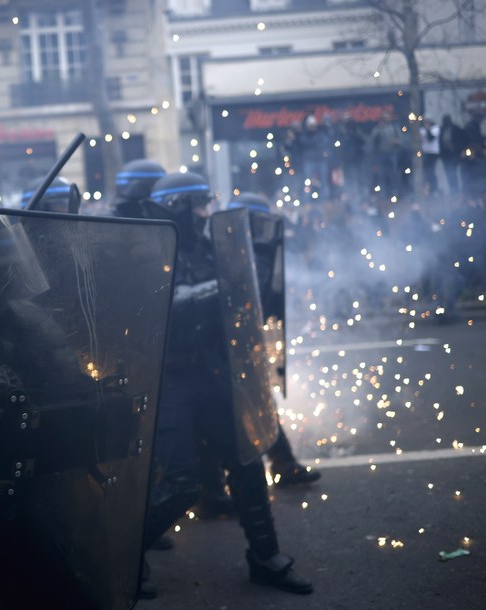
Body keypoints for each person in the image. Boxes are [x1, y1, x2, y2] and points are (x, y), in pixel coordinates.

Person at [142, 172, 312, 596]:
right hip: (168, 377)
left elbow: (239, 300)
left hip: (209, 369)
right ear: (177, 204)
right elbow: (171, 301)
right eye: (198, 204)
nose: (204, 212)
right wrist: (224, 286)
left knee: (247, 458)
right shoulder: (149, 243)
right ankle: (124, 555)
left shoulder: (204, 245)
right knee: (181, 482)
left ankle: (266, 558)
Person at [439, 115, 466, 197]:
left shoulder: (456, 129)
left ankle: (456, 190)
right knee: (449, 174)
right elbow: (440, 143)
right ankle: (453, 190)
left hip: (454, 155)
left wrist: (461, 150)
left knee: (454, 173)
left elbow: (462, 139)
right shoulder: (442, 130)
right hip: (446, 156)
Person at [420, 118, 441, 195]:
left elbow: (430, 138)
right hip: (425, 152)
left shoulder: (435, 129)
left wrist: (427, 129)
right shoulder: (422, 129)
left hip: (433, 153)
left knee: (431, 171)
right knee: (426, 172)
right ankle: (427, 189)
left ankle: (434, 189)